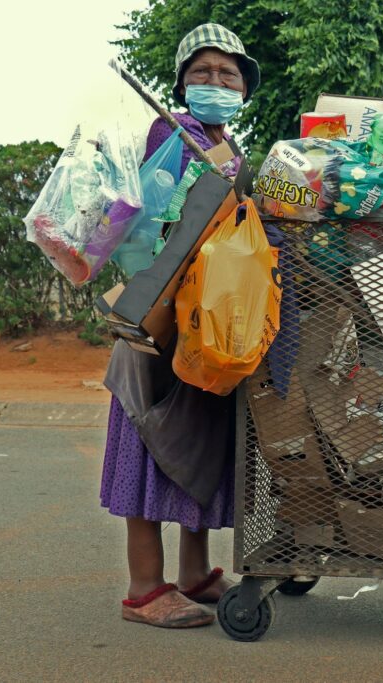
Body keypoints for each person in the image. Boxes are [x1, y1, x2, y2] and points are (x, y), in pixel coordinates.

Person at [100, 24, 261, 629]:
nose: (215, 83)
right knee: (149, 442)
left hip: (204, 322)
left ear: (244, 88)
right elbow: (153, 225)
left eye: (227, 75)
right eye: (202, 73)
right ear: (181, 83)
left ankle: (194, 574)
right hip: (157, 321)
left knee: (196, 444)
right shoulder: (173, 135)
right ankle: (145, 588)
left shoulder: (229, 147)